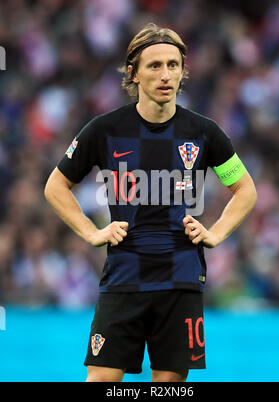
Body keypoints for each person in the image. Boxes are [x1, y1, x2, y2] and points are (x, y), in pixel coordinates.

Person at [44, 23, 257, 382]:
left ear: (183, 71)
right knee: (100, 380)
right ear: (133, 73)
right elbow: (55, 186)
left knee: (169, 387)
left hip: (181, 278)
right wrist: (92, 233)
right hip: (124, 277)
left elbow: (245, 189)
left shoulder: (204, 132)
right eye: (154, 65)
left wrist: (217, 233)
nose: (166, 75)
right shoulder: (104, 130)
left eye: (173, 65)